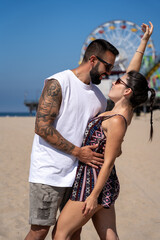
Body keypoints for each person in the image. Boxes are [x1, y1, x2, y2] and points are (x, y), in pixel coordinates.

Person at [53, 22, 155, 240]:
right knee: (109, 236)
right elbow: (133, 74)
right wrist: (143, 42)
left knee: (60, 233)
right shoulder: (115, 111)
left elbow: (108, 162)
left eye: (118, 81)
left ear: (127, 91)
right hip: (102, 181)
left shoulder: (119, 119)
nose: (113, 81)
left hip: (93, 182)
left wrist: (93, 196)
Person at [24, 38, 119, 240]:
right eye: (107, 66)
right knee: (39, 231)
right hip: (49, 172)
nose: (109, 73)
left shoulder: (99, 98)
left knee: (73, 232)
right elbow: (41, 127)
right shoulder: (58, 83)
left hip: (79, 176)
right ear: (93, 59)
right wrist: (78, 152)